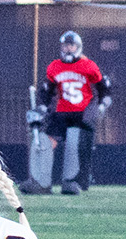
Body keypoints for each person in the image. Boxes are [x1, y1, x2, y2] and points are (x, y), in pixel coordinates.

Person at [18, 30, 112, 196]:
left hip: (82, 114)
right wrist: (42, 108)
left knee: (73, 144)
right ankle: (40, 182)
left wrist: (103, 104)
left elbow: (103, 87)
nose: (68, 49)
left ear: (78, 47)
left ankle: (71, 181)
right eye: (65, 45)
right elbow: (47, 91)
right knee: (45, 141)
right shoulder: (55, 66)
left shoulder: (88, 65)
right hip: (61, 112)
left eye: (71, 45)